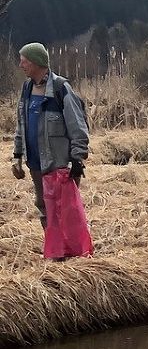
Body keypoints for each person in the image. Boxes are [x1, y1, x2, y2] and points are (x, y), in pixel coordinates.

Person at [11, 42, 89, 235]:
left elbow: (78, 126)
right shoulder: (27, 88)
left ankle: (71, 249)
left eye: (24, 62)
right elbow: (21, 124)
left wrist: (77, 159)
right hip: (36, 163)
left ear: (37, 63)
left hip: (59, 163)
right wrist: (17, 155)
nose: (21, 66)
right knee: (43, 205)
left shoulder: (61, 88)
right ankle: (54, 247)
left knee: (65, 207)